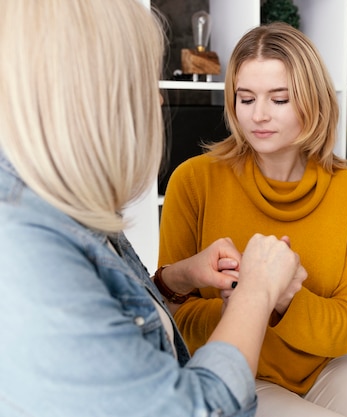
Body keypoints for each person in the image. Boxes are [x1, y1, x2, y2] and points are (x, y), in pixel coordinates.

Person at [0, 1, 307, 416]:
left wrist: (177, 277)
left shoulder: (68, 202)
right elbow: (192, 390)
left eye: (280, 98)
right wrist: (257, 291)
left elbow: (135, 309)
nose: (159, 96)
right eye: (144, 78)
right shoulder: (27, 245)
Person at [159, 22, 347, 417]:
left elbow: (345, 328)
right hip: (240, 371)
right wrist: (251, 301)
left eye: (279, 99)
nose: (258, 115)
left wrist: (285, 296)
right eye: (246, 99)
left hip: (324, 366)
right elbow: (178, 320)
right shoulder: (193, 181)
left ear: (312, 102)